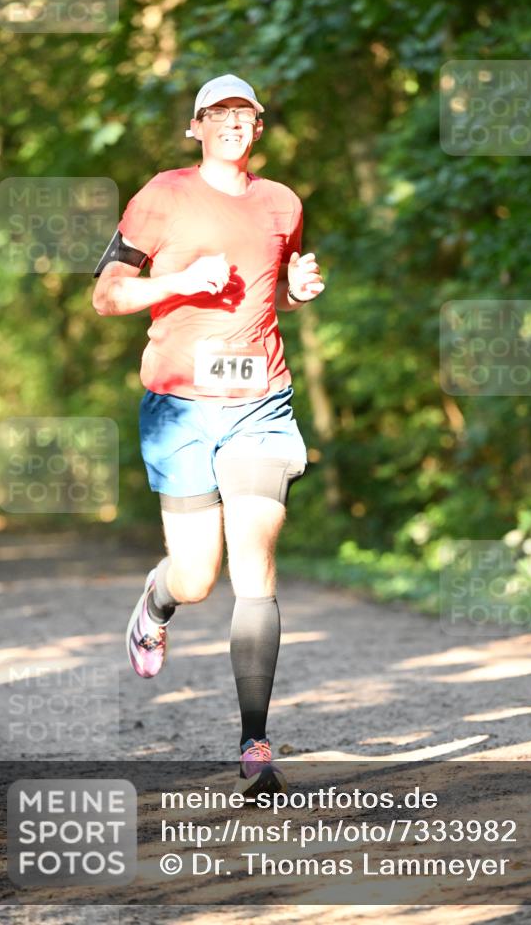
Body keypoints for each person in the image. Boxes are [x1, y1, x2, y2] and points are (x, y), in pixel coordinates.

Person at [91, 74, 324, 795]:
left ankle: (255, 744)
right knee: (198, 576)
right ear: (195, 126)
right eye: (217, 115)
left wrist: (298, 287)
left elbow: (269, 284)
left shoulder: (282, 202)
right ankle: (158, 601)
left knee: (255, 560)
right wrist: (178, 283)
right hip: (180, 407)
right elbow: (107, 295)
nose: (231, 125)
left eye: (243, 115)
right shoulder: (162, 194)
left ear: (258, 126)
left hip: (260, 401)